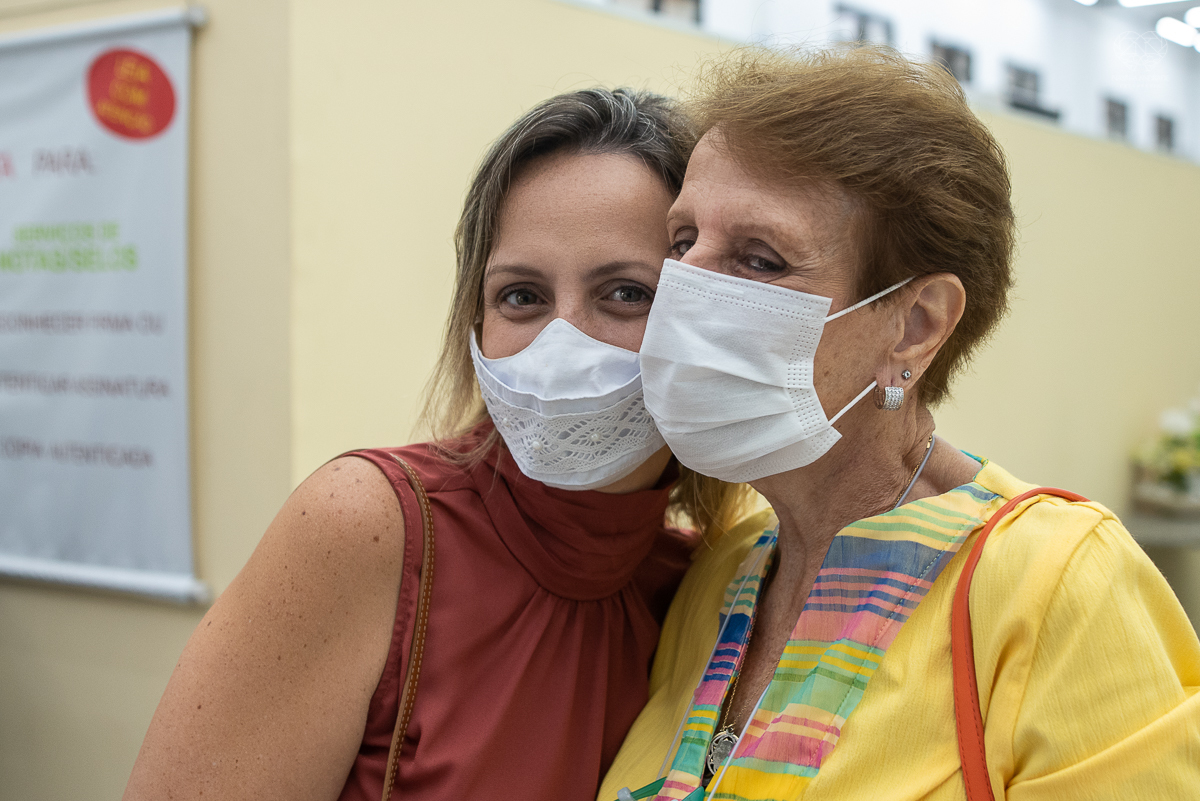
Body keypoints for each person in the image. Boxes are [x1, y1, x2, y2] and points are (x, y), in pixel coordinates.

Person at [599, 46, 1200, 801]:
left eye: (759, 260)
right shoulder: (720, 577)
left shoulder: (1058, 586)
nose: (684, 292)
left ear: (915, 326)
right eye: (683, 242)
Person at [123, 88, 749, 801]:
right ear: (475, 324)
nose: (562, 338)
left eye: (626, 294)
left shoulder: (705, 584)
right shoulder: (368, 526)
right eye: (522, 296)